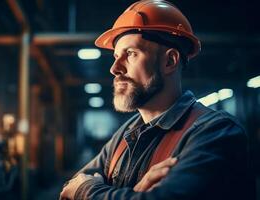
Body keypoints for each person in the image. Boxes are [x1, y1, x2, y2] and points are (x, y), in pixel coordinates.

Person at [60, 0, 254, 199]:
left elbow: (80, 188)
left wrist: (88, 191)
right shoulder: (127, 133)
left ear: (169, 61)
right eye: (116, 56)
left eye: (131, 54)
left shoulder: (216, 132)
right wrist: (132, 194)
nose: (115, 68)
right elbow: (70, 187)